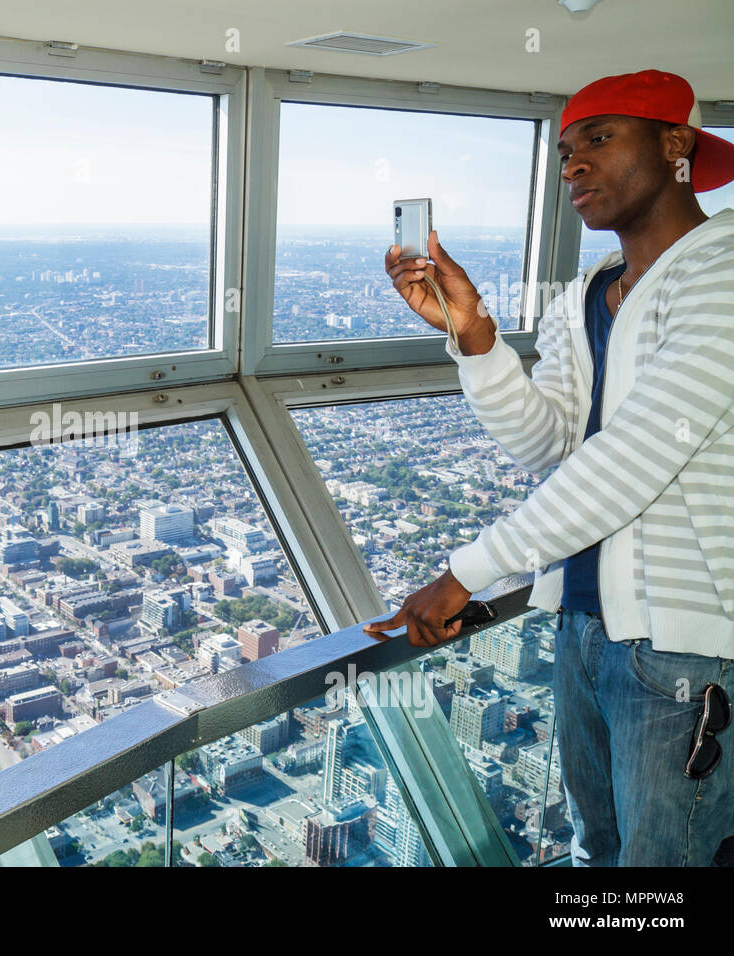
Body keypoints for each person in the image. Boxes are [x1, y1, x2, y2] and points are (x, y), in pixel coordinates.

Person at [365, 69, 734, 866]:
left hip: (688, 649)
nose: (571, 166)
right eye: (565, 151)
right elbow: (549, 446)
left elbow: (635, 457)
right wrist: (473, 333)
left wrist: (467, 571)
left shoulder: (724, 273)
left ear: (676, 147)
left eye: (597, 140)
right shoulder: (586, 294)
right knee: (597, 856)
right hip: (580, 626)